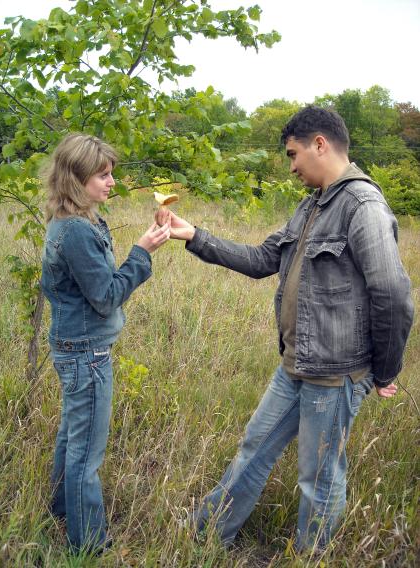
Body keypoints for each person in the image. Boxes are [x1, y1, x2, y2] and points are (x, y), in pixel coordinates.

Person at [155, 106, 414, 552]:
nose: (291, 166)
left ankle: (308, 559)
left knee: (319, 477)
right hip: (295, 365)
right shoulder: (311, 204)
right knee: (253, 449)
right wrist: (193, 235)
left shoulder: (363, 206)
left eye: (294, 154)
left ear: (320, 144)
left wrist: (385, 371)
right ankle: (205, 538)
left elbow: (392, 293)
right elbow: (261, 260)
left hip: (334, 376)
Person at [41, 133, 170, 553]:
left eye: (110, 173)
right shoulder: (76, 230)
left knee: (70, 435)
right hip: (86, 352)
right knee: (85, 452)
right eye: (102, 175)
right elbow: (106, 296)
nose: (111, 182)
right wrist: (142, 252)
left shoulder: (77, 221)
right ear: (77, 179)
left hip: (76, 346)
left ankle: (63, 509)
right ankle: (89, 544)